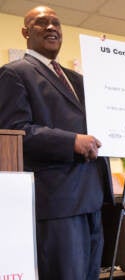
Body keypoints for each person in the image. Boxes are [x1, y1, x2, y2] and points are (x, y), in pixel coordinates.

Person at [0, 6, 113, 280]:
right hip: (57, 202)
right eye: (41, 23)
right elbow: (15, 131)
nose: (52, 27)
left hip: (93, 198)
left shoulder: (79, 80)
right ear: (26, 32)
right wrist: (71, 141)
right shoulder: (14, 73)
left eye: (56, 23)